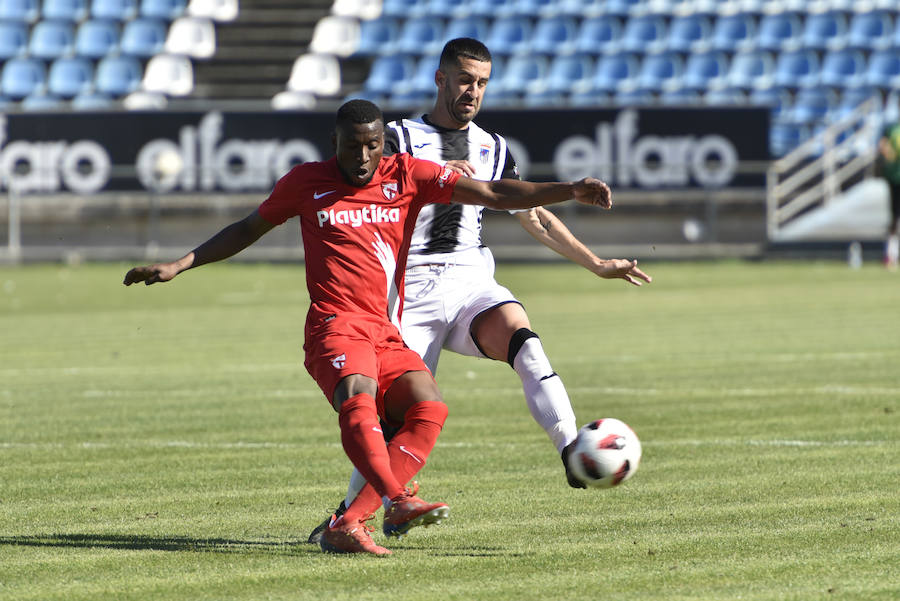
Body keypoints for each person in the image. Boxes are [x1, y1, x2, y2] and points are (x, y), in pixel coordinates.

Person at [123, 99, 614, 556]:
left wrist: (568, 190)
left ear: (384, 143)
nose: (362, 155)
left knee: (429, 408)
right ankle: (397, 499)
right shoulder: (305, 182)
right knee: (358, 397)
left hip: (384, 327)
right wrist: (181, 263)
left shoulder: (406, 175)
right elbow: (247, 228)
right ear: (334, 140)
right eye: (352, 144)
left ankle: (346, 524)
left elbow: (493, 192)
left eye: (371, 145)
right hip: (335, 324)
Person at [308, 39, 651, 544]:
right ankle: (349, 515)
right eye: (465, 79)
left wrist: (595, 263)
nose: (473, 91)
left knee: (526, 344)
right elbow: (357, 189)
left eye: (482, 83)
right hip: (411, 290)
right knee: (399, 421)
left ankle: (572, 455)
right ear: (441, 79)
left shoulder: (493, 146)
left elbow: (529, 212)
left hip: (471, 280)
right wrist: (435, 180)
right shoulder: (398, 138)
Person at [878, 117, 900, 269]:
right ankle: (891, 255)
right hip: (895, 177)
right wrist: (887, 153)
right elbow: (883, 145)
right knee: (894, 216)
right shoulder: (892, 127)